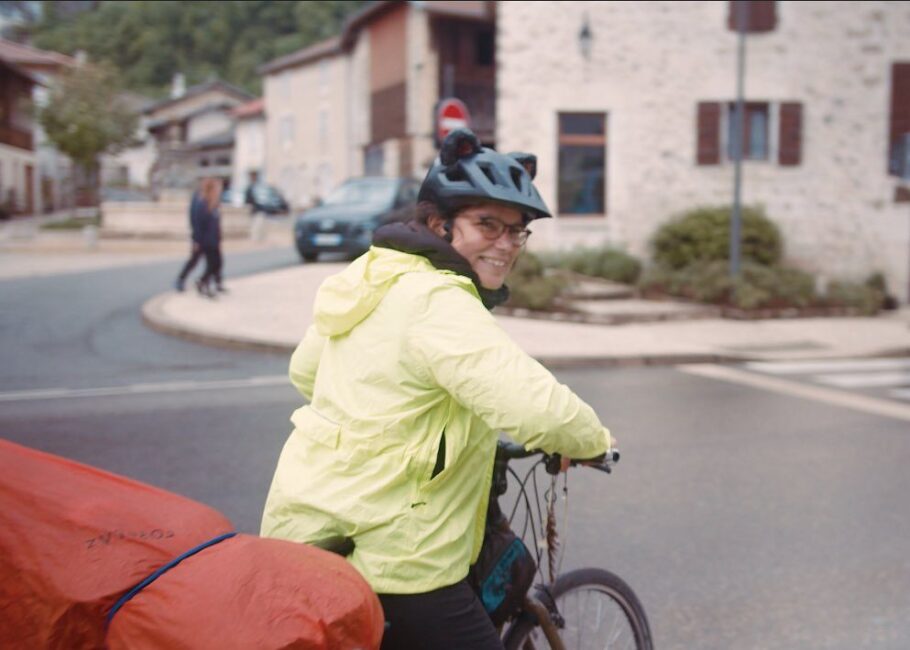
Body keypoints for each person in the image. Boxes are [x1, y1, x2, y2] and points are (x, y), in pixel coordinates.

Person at [260, 128, 615, 650]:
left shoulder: (373, 276)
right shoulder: (437, 299)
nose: (506, 243)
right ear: (437, 224)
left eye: (517, 231)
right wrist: (593, 442)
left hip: (305, 527)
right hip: (396, 556)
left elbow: (307, 371)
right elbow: (534, 405)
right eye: (487, 224)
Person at [195, 177, 226, 297]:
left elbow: (216, 224)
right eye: (217, 188)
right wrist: (197, 241)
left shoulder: (214, 204)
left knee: (217, 263)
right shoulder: (202, 204)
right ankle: (204, 284)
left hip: (214, 240)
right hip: (206, 241)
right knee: (212, 264)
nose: (219, 191)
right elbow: (199, 224)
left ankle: (204, 282)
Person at [174, 180, 206, 292]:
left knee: (214, 262)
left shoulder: (205, 198)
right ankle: (181, 279)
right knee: (195, 260)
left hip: (206, 237)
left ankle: (205, 282)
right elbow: (195, 220)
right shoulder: (198, 199)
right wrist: (196, 239)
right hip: (201, 237)